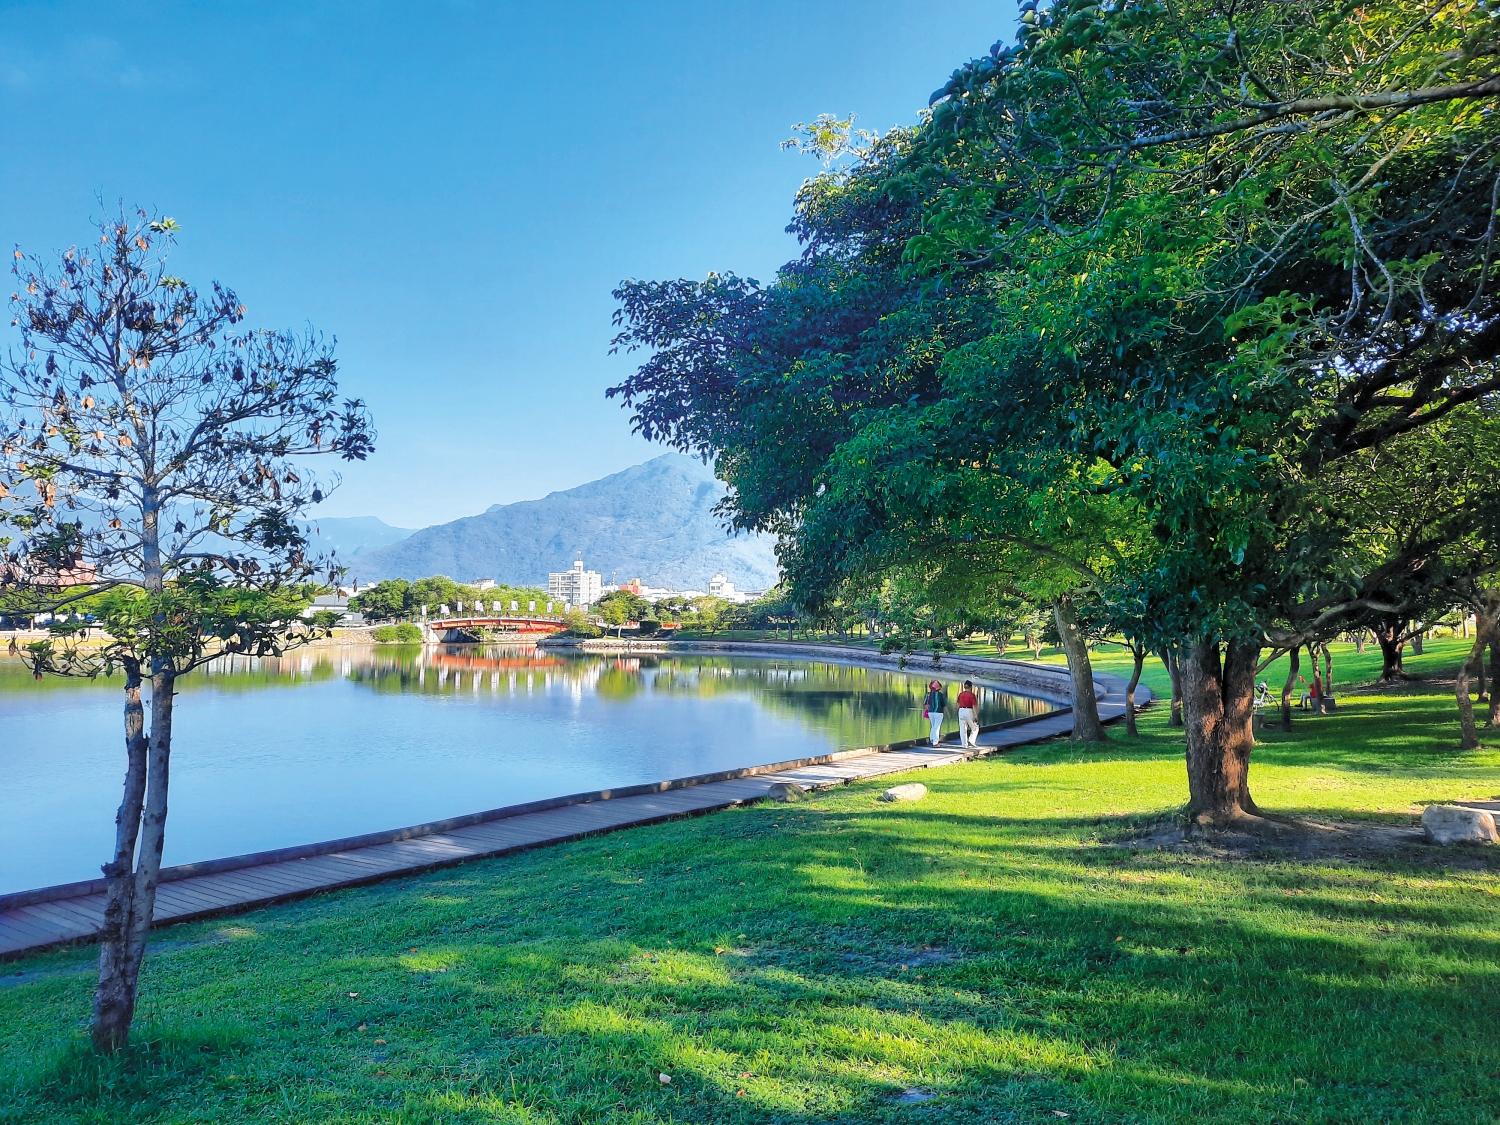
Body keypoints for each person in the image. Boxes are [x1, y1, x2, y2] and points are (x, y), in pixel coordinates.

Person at [922, 680, 947, 746]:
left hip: (930, 712)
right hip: (939, 712)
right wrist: (948, 712)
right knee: (937, 727)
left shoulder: (928, 694)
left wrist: (925, 710)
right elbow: (944, 704)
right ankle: (935, 742)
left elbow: (925, 704)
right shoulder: (940, 695)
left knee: (933, 726)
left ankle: (932, 738)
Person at [957, 680, 980, 748]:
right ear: (970, 687)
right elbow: (974, 706)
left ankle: (964, 745)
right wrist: (976, 716)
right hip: (969, 710)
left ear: (964, 687)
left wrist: (960, 710)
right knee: (975, 727)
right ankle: (971, 740)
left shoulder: (961, 694)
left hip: (961, 710)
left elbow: (958, 703)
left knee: (962, 728)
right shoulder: (972, 695)